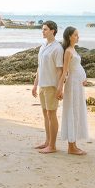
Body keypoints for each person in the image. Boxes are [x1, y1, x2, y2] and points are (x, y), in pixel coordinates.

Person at [31, 20, 63, 153]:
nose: (42, 31)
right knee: (45, 114)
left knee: (52, 114)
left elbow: (60, 71)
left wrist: (60, 89)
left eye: (45, 29)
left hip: (51, 86)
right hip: (42, 85)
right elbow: (40, 67)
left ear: (53, 31)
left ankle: (53, 145)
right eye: (42, 29)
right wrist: (35, 85)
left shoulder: (57, 48)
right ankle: (47, 141)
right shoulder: (43, 46)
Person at [56, 26, 89, 155]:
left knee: (77, 111)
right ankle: (71, 146)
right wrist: (60, 88)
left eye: (78, 34)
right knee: (72, 111)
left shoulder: (73, 50)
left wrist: (84, 77)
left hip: (78, 85)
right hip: (73, 86)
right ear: (69, 36)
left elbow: (77, 66)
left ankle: (74, 144)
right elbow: (65, 71)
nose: (78, 37)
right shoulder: (68, 51)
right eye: (75, 35)